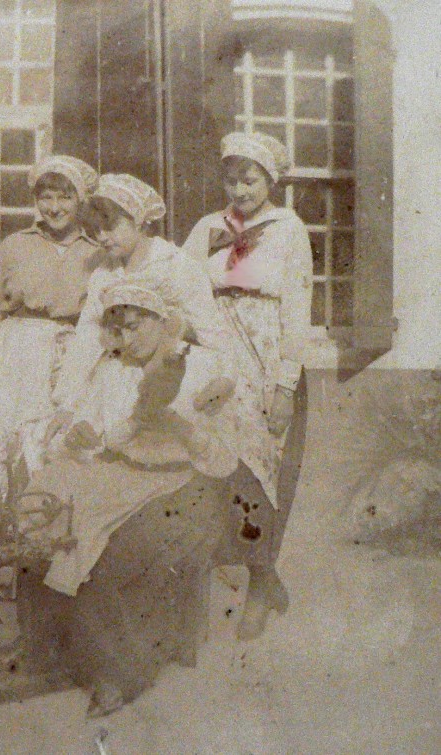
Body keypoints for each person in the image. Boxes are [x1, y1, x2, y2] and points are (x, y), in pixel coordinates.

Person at [17, 282, 238, 717]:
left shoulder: (202, 370)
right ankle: (48, 650)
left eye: (135, 328)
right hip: (118, 476)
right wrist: (80, 439)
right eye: (116, 331)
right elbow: (95, 438)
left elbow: (224, 461)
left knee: (102, 557)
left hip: (183, 487)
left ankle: (119, 675)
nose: (126, 340)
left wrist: (180, 428)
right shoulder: (112, 369)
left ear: (161, 321)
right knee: (45, 518)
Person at [0, 154, 101, 634]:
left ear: (81, 199)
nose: (53, 207)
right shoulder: (13, 245)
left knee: (44, 470)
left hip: (66, 363)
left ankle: (44, 605)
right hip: (12, 359)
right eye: (45, 196)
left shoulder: (95, 253)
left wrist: (71, 371)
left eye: (63, 196)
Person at [182, 131, 313, 640]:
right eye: (232, 179)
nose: (240, 190)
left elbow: (298, 312)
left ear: (270, 180)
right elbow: (182, 289)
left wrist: (284, 386)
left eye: (250, 179)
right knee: (214, 470)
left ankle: (260, 585)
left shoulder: (289, 229)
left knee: (259, 475)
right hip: (214, 359)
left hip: (263, 361)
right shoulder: (205, 228)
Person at [52, 172, 236, 420]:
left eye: (110, 227)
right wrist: (67, 401)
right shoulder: (104, 274)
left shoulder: (174, 265)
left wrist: (225, 378)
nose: (102, 237)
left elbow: (212, 331)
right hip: (118, 377)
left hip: (171, 377)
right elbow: (88, 336)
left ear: (138, 220)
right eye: (95, 230)